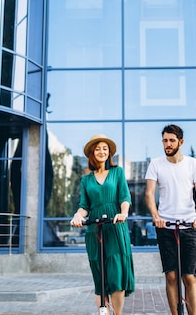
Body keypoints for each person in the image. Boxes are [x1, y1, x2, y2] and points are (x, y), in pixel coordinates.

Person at [144, 124, 196, 315]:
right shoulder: (155, 164)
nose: (168, 144)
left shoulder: (193, 164)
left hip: (188, 226)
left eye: (172, 140)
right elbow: (149, 194)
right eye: (165, 140)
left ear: (180, 142)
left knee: (189, 277)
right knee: (171, 276)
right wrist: (156, 217)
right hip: (165, 226)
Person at [71, 134, 135, 315]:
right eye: (98, 148)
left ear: (109, 153)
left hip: (115, 226)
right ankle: (103, 311)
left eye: (105, 149)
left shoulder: (117, 172)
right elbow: (84, 206)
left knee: (115, 273)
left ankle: (117, 313)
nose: (101, 151)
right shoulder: (86, 180)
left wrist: (123, 213)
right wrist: (77, 216)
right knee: (99, 276)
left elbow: (124, 196)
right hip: (95, 229)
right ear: (92, 153)